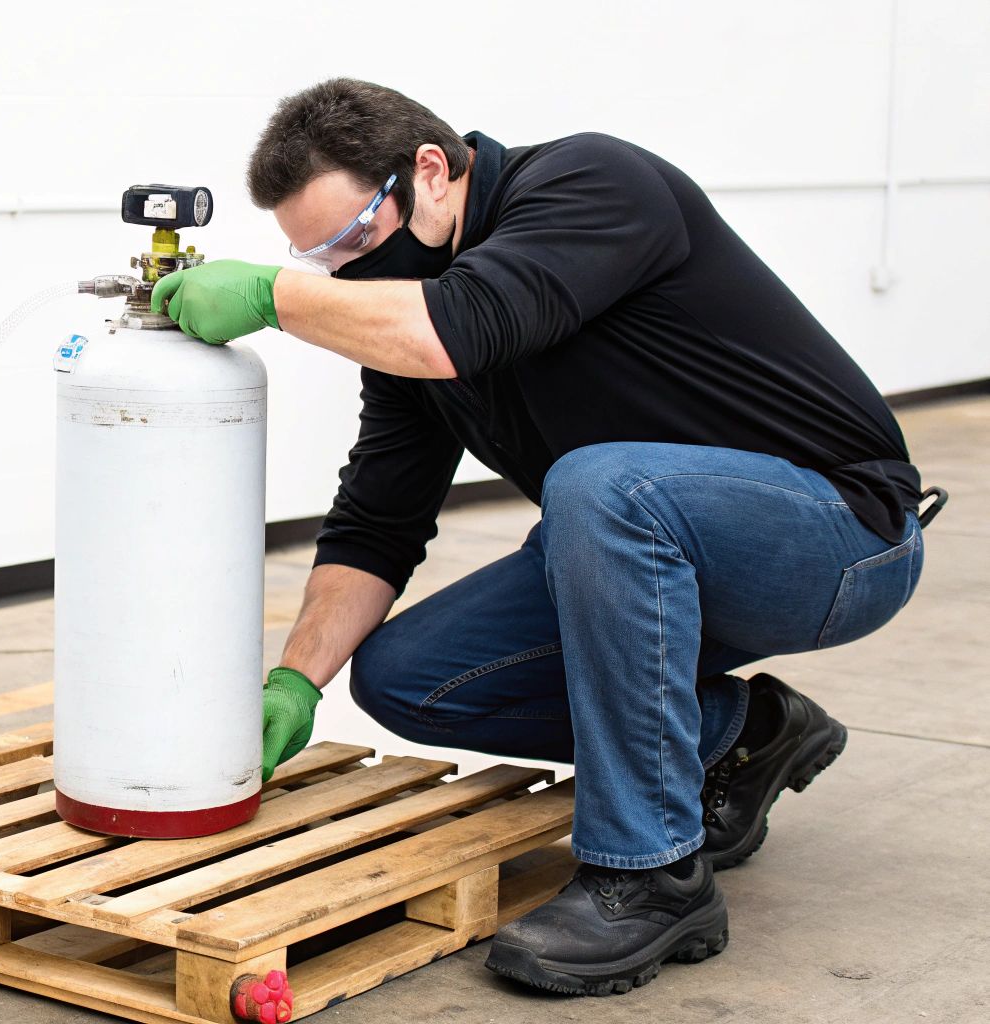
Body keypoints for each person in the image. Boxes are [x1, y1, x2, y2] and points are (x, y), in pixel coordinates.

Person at [151, 78, 941, 997]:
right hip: (644, 545)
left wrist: (272, 296)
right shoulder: (408, 322)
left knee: (599, 484)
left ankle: (652, 877)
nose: (346, 273)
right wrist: (296, 678)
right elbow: (379, 519)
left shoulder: (591, 184)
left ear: (432, 173)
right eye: (319, 260)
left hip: (837, 535)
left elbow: (462, 328)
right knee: (411, 677)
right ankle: (743, 733)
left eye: (355, 239)